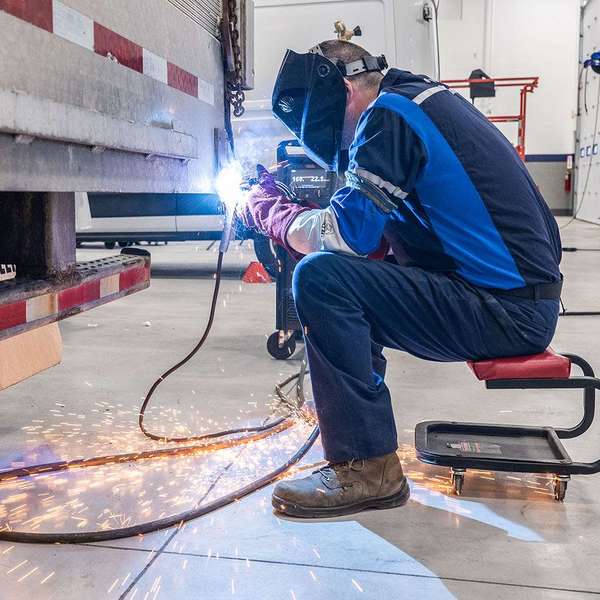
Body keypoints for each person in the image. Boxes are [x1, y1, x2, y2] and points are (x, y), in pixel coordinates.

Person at [241, 40, 562, 518]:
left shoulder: (388, 116)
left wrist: (270, 213)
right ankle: (361, 436)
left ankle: (366, 467)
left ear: (345, 91)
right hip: (518, 300)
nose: (336, 142)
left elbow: (343, 237)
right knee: (344, 276)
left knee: (321, 279)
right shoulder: (420, 101)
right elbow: (373, 241)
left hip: (505, 311)